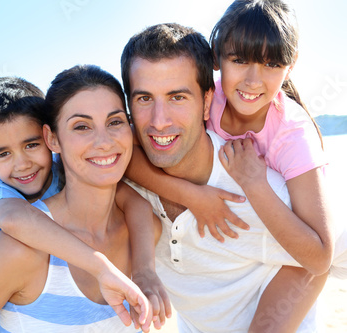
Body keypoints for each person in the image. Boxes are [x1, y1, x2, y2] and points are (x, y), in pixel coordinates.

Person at [120, 22, 341, 332]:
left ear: (208, 101)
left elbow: (323, 259)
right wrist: (188, 194)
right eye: (144, 99)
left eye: (177, 98)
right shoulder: (118, 173)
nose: (159, 121)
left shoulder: (266, 179)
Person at [0, 65, 162, 333]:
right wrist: (100, 266)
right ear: (54, 139)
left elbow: (134, 201)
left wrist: (144, 270)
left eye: (115, 121)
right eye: (81, 126)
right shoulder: (12, 234)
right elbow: (15, 218)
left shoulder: (144, 230)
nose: (103, 142)